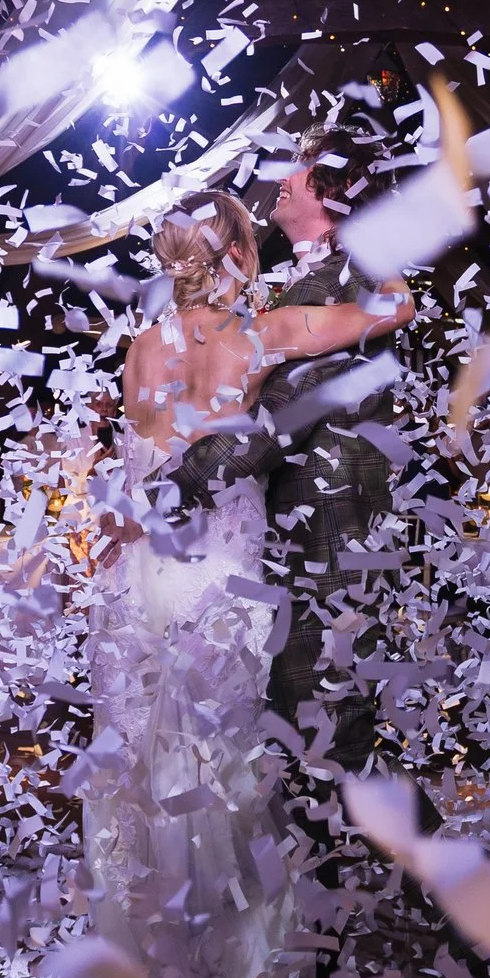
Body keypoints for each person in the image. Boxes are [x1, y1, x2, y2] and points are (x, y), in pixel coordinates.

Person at [65, 191, 412, 978]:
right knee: (226, 783)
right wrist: (332, 248)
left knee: (145, 777)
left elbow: (136, 470)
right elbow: (395, 307)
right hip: (221, 582)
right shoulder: (260, 335)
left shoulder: (140, 347)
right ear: (237, 257)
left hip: (145, 585)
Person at [164, 122, 409, 774]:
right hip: (303, 550)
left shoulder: (349, 286)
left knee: (330, 744)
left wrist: (174, 485)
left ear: (331, 189)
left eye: (298, 166)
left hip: (327, 554)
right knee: (312, 747)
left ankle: (419, 875)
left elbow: (280, 422)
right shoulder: (323, 283)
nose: (281, 174)